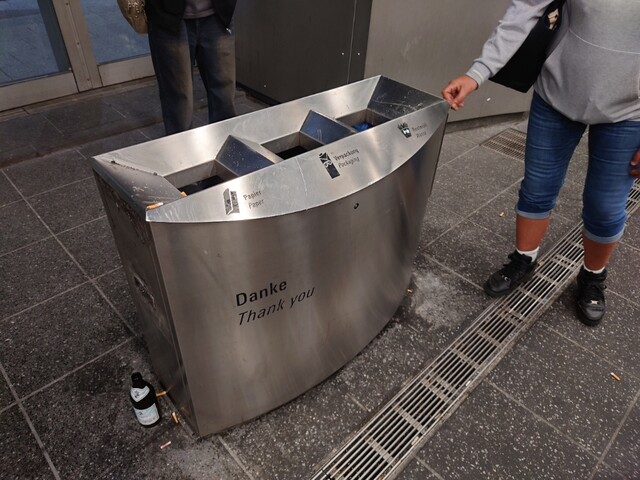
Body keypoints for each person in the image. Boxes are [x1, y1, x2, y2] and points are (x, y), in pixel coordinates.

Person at [441, 0, 640, 326]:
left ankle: (593, 275)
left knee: (605, 208)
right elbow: (525, 8)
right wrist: (477, 73)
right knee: (536, 188)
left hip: (631, 110)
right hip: (558, 89)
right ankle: (524, 258)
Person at [145, 0, 238, 135]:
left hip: (218, 14)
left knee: (225, 99)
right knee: (178, 104)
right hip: (167, 15)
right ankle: (181, 148)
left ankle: (227, 146)